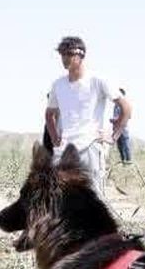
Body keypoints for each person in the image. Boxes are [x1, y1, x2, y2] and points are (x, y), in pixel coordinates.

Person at [44, 36, 131, 196]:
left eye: (68, 54)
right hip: (64, 150)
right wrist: (55, 138)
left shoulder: (98, 81)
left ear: (80, 55)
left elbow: (126, 108)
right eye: (62, 54)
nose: (64, 58)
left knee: (93, 199)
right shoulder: (58, 85)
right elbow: (49, 115)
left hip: (90, 147)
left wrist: (114, 136)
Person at [114, 88, 133, 164]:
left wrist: (119, 119)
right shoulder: (115, 106)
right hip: (117, 129)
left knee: (126, 145)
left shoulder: (126, 104)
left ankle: (129, 162)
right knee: (120, 146)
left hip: (123, 129)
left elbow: (129, 116)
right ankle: (123, 162)